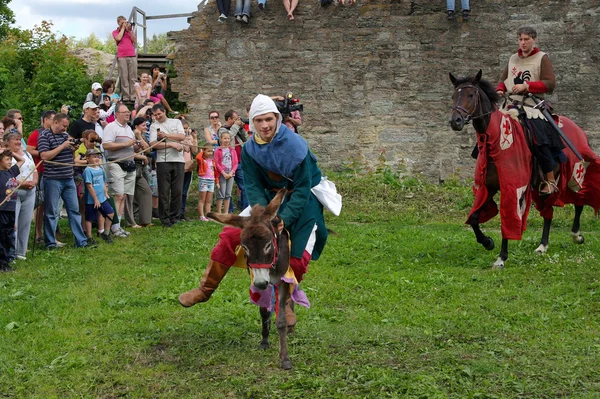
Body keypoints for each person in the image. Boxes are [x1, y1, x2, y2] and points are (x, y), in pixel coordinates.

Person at [178, 95, 329, 316]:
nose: (265, 125)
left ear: (277, 118)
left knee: (297, 254)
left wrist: (283, 218)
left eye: (269, 119)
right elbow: (253, 186)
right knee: (229, 236)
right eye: (259, 120)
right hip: (267, 200)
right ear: (252, 123)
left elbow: (304, 188)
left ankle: (284, 305)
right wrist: (263, 216)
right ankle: (205, 289)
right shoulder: (249, 149)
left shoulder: (297, 146)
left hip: (302, 199)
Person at [496, 26, 564, 195]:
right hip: (510, 105)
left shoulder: (542, 58)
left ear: (534, 40)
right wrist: (499, 89)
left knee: (538, 136)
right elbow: (504, 80)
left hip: (531, 106)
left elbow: (550, 84)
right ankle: (486, 175)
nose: (523, 43)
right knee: (490, 131)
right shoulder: (513, 58)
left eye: (526, 39)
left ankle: (549, 179)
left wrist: (528, 86)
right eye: (520, 39)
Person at [38, 113, 91, 249]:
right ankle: (50, 242)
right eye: (64, 126)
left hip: (68, 178)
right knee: (51, 211)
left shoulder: (65, 136)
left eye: (67, 126)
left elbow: (70, 156)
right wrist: (62, 146)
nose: (65, 129)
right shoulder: (44, 136)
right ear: (55, 122)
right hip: (52, 179)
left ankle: (81, 241)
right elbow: (44, 156)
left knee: (74, 210)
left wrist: (73, 148)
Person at [149, 103, 186, 227]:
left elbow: (181, 136)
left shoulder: (175, 122)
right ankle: (164, 218)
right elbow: (153, 144)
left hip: (179, 160)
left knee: (177, 190)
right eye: (155, 115)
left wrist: (166, 136)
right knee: (164, 191)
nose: (158, 116)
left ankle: (175, 217)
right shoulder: (154, 126)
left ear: (164, 111)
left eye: (159, 114)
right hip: (163, 160)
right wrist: (171, 144)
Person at [102, 104, 136, 237]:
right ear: (117, 114)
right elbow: (106, 145)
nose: (128, 114)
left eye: (128, 112)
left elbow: (130, 147)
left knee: (124, 196)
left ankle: (118, 226)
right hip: (116, 163)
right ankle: (113, 227)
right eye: (124, 112)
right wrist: (125, 144)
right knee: (118, 195)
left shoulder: (129, 128)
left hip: (130, 164)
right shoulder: (111, 127)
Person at [4, 130, 37, 261]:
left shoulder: (27, 154)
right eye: (15, 140)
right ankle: (10, 252)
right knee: (13, 222)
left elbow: (34, 169)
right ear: (7, 142)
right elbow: (5, 175)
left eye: (19, 139)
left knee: (26, 221)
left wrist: (34, 181)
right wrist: (22, 183)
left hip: (30, 191)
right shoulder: (5, 156)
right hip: (13, 191)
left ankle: (21, 251)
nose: (19, 142)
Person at [27, 110, 56, 245]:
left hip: (53, 172)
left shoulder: (56, 134)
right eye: (53, 119)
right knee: (40, 204)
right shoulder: (36, 134)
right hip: (40, 171)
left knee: (50, 205)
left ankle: (51, 233)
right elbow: (29, 149)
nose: (55, 122)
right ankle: (38, 234)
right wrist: (43, 153)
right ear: (45, 120)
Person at [124, 117, 153, 228]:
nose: (145, 127)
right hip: (131, 166)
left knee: (146, 191)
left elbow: (148, 150)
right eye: (143, 125)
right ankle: (131, 221)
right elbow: (127, 153)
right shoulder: (129, 135)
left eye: (146, 125)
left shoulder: (143, 136)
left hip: (140, 169)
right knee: (130, 195)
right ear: (136, 126)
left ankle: (145, 220)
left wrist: (140, 136)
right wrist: (142, 156)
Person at [83, 148, 114, 244]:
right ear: (88, 158)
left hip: (102, 198)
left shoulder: (100, 169)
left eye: (98, 157)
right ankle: (89, 237)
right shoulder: (87, 170)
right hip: (91, 200)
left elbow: (103, 182)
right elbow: (89, 186)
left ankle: (106, 232)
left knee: (110, 213)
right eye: (94, 157)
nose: (97, 159)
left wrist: (106, 193)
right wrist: (95, 199)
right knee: (90, 218)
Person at [0, 148, 24, 272]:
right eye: (7, 159)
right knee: (2, 236)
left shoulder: (10, 172)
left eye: (11, 160)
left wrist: (9, 152)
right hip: (2, 210)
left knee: (9, 236)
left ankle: (6, 261)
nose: (10, 162)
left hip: (10, 209)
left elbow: (22, 160)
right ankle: (2, 264)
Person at [223, 110, 248, 210]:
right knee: (227, 188)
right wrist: (236, 126)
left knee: (245, 186)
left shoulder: (236, 130)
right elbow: (227, 138)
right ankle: (229, 210)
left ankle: (245, 208)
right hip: (228, 163)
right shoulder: (222, 130)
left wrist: (241, 129)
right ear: (229, 119)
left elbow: (246, 139)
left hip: (240, 162)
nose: (238, 120)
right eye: (235, 119)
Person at [113, 16, 137, 103]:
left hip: (131, 55)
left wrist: (130, 31)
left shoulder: (129, 31)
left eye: (125, 22)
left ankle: (133, 95)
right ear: (118, 23)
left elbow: (134, 40)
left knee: (133, 76)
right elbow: (118, 38)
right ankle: (126, 96)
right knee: (124, 76)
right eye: (122, 22)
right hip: (122, 56)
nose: (125, 24)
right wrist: (122, 28)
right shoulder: (115, 32)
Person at [214, 129, 237, 214]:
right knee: (221, 194)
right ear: (221, 139)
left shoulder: (232, 150)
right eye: (225, 138)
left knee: (228, 194)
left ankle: (226, 213)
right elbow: (217, 163)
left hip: (231, 174)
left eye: (228, 138)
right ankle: (219, 213)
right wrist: (223, 172)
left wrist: (231, 172)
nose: (227, 140)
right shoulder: (218, 150)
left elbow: (235, 163)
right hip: (222, 174)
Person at [179, 119, 196, 220]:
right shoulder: (179, 138)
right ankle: (177, 211)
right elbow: (184, 149)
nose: (185, 130)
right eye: (183, 129)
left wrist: (194, 138)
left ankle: (182, 211)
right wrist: (185, 139)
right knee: (179, 190)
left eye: (186, 128)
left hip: (188, 166)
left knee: (185, 191)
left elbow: (194, 150)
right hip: (181, 165)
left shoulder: (190, 137)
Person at [196, 146, 217, 221]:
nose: (210, 153)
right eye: (208, 151)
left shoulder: (212, 161)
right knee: (202, 199)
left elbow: (215, 172)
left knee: (208, 200)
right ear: (204, 151)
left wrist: (216, 181)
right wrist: (202, 151)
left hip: (211, 181)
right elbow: (198, 157)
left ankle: (208, 215)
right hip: (204, 180)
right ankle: (201, 216)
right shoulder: (202, 160)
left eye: (211, 151)